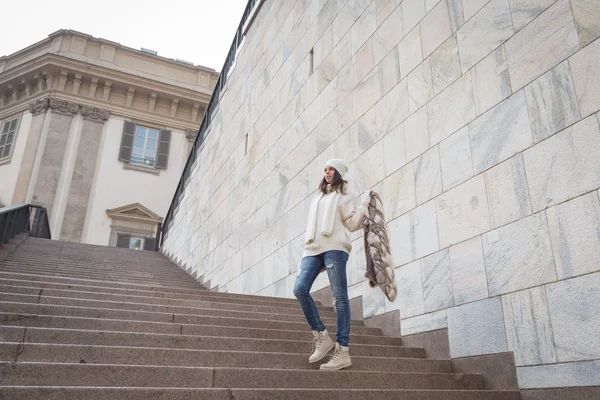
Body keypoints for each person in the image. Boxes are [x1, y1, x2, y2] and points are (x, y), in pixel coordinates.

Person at [293, 158, 370, 371]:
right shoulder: (318, 196)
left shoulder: (345, 197)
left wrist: (363, 205)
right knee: (299, 289)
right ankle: (321, 336)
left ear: (338, 173)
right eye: (325, 169)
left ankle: (343, 351)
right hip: (312, 249)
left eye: (331, 169)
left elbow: (353, 225)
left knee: (340, 298)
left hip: (334, 248)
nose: (327, 172)